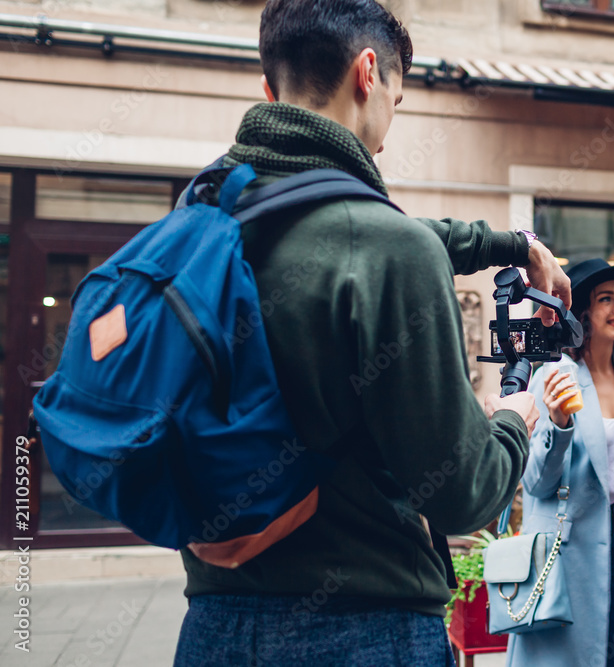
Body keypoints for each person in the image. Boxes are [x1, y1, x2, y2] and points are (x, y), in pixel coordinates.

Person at [173, 1, 573, 665]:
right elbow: (461, 495)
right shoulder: (385, 249)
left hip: (213, 621)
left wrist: (509, 243)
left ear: (271, 90)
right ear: (368, 74)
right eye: (398, 95)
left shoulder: (203, 220)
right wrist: (513, 418)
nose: (387, 129)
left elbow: (362, 237)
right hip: (363, 629)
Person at [508, 258, 614, 667]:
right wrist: (558, 423)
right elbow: (536, 483)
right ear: (582, 313)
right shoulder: (553, 376)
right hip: (569, 547)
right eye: (605, 299)